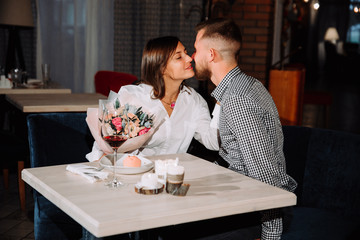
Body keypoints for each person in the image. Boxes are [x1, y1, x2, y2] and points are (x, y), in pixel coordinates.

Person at [192, 18, 297, 239]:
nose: (193, 57)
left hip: (252, 212)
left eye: (195, 50)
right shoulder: (249, 84)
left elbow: (265, 175)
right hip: (239, 198)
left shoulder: (236, 100)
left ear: (211, 54)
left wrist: (270, 235)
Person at [87, 35, 219, 159]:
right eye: (179, 57)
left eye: (186, 52)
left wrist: (222, 99)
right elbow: (105, 145)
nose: (189, 58)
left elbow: (212, 141)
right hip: (131, 174)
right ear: (161, 68)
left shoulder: (194, 101)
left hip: (170, 178)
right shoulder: (134, 97)